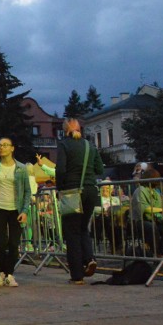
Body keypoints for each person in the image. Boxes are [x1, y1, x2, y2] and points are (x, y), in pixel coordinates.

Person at [56, 119, 104, 284]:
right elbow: (100, 169)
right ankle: (89, 258)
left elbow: (61, 169)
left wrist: (60, 188)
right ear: (80, 130)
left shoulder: (64, 144)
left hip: (72, 192)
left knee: (72, 232)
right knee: (84, 228)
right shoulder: (90, 146)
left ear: (65, 130)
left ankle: (77, 275)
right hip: (91, 190)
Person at [0, 137, 31, 288]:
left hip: (15, 209)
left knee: (14, 242)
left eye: (5, 145)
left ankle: (9, 274)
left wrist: (24, 210)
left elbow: (27, 191)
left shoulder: (21, 168)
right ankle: (2, 272)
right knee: (1, 242)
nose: (2, 148)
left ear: (12, 148)